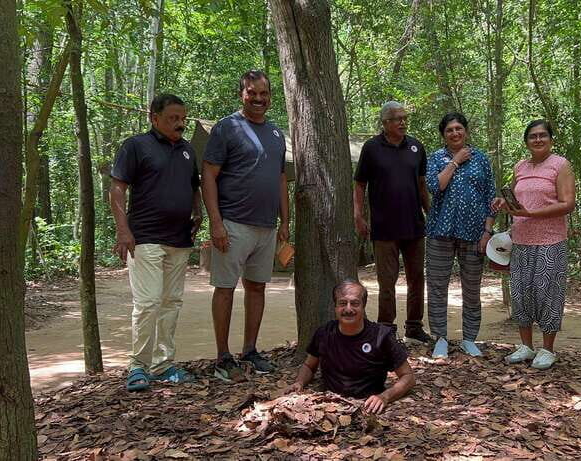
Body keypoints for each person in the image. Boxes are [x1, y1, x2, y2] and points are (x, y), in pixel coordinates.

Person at [110, 93, 203, 391]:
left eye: (182, 118)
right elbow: (117, 189)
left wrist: (198, 212)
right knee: (148, 302)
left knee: (171, 302)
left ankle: (164, 365)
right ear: (154, 118)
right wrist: (123, 230)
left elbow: (194, 187)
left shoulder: (188, 150)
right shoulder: (136, 146)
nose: (180, 124)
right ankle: (138, 367)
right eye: (172, 118)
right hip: (145, 238)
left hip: (180, 239)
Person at [202, 70, 290, 382]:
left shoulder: (277, 134)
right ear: (242, 94)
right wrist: (216, 223)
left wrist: (285, 221)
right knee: (225, 288)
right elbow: (208, 174)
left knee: (257, 287)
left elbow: (280, 179)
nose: (258, 99)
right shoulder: (227, 128)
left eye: (263, 94)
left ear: (270, 96)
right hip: (233, 223)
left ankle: (250, 350)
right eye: (252, 93)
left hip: (266, 226)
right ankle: (223, 357)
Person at [493, 120, 575, 370]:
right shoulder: (520, 167)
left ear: (551, 139)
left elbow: (568, 203)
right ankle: (526, 346)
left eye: (542, 136)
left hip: (550, 240)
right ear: (526, 141)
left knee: (548, 293)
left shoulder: (561, 165)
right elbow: (520, 202)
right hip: (521, 239)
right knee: (521, 293)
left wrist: (533, 214)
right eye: (532, 136)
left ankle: (547, 349)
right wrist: (503, 203)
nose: (538, 140)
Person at [353, 101, 432, 344]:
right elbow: (359, 184)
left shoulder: (416, 147)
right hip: (384, 227)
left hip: (414, 226)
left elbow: (421, 186)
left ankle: (414, 327)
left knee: (416, 278)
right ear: (385, 123)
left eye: (405, 118)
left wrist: (431, 214)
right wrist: (358, 215)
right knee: (386, 281)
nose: (402, 122)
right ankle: (386, 328)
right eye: (397, 118)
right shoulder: (372, 148)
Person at [283, 280, 416, 414]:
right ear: (335, 307)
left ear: (363, 306)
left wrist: (384, 397)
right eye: (342, 303)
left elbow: (408, 376)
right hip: (329, 406)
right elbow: (309, 366)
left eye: (355, 303)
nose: (348, 309)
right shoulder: (324, 333)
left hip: (367, 406)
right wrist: (299, 382)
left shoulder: (381, 336)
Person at [425, 112, 496, 359]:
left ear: (466, 131)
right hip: (440, 232)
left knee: (472, 288)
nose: (455, 133)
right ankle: (441, 338)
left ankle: (469, 339)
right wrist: (454, 161)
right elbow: (435, 187)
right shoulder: (436, 158)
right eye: (449, 130)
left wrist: (487, 232)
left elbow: (490, 198)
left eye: (458, 129)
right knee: (436, 286)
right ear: (443, 135)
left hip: (474, 233)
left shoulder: (481, 159)